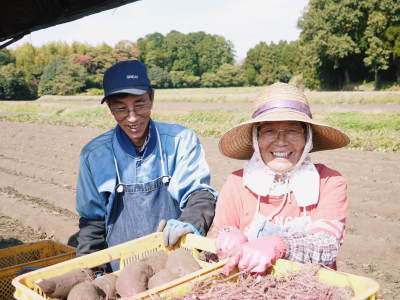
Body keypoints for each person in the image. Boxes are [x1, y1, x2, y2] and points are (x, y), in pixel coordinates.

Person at [75, 60, 217, 269]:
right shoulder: (94, 155)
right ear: (110, 108)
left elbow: (199, 194)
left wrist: (190, 222)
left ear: (152, 97)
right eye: (121, 108)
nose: (132, 118)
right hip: (120, 269)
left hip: (176, 262)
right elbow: (92, 222)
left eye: (140, 104)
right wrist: (94, 272)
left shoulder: (180, 140)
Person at [210, 82, 350, 275]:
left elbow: (326, 246)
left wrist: (280, 244)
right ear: (255, 139)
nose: (281, 141)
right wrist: (225, 238)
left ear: (307, 138)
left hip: (310, 287)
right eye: (269, 131)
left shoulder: (329, 181)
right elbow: (217, 238)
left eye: (292, 130)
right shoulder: (237, 183)